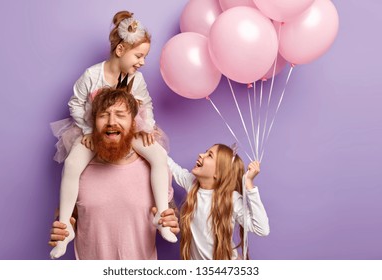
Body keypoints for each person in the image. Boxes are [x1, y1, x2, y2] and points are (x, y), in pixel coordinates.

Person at [49, 10, 175, 259]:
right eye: (139, 55)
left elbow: (146, 105)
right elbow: (75, 104)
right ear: (120, 51)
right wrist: (87, 131)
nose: (142, 62)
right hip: (92, 130)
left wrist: (147, 129)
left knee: (159, 157)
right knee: (73, 164)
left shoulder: (135, 79)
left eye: (144, 56)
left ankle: (162, 215)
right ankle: (65, 231)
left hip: (129, 129)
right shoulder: (91, 75)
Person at [50, 87, 179, 260]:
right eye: (103, 115)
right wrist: (63, 230)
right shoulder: (80, 168)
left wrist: (171, 220)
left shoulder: (153, 167)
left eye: (120, 114)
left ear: (134, 123)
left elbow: (171, 211)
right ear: (93, 123)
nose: (111, 121)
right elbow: (71, 215)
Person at [168, 144, 270, 260]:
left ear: (218, 172)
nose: (201, 155)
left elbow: (262, 229)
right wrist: (149, 134)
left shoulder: (231, 199)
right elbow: (168, 163)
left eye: (209, 155)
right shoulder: (192, 184)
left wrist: (249, 184)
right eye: (205, 152)